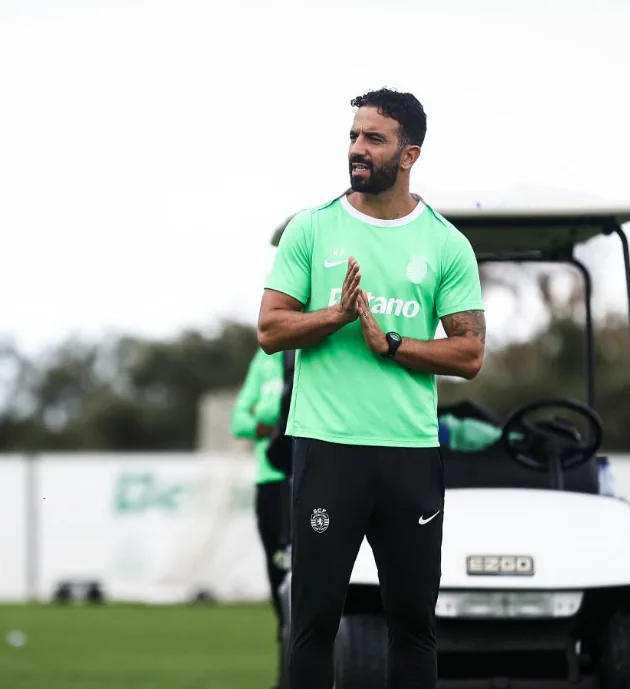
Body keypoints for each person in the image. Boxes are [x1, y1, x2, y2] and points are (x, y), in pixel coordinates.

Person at [258, 88, 487, 689]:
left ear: (409, 154)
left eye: (374, 139)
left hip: (409, 455)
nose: (358, 150)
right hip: (327, 449)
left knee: (413, 628)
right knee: (312, 626)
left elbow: (469, 353)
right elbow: (269, 329)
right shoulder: (311, 229)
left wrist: (391, 344)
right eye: (354, 136)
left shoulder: (445, 243)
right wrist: (331, 318)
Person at [230, 344, 289, 689]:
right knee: (278, 582)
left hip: (308, 484)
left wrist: (271, 417)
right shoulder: (264, 357)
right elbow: (239, 420)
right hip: (270, 486)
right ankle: (287, 677)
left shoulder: (312, 351)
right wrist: (267, 424)